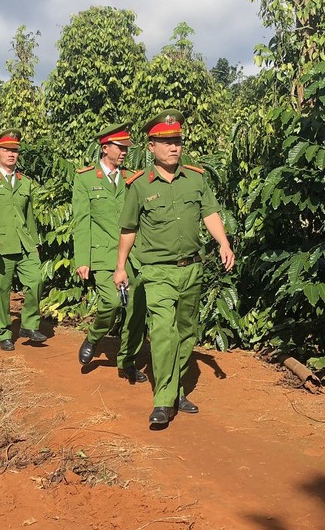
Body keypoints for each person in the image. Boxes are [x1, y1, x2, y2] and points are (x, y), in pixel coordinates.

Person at [113, 110, 235, 427]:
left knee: (187, 333)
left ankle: (176, 386)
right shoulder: (138, 186)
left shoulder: (195, 178)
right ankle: (164, 401)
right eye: (166, 142)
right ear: (151, 146)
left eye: (177, 141)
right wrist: (121, 267)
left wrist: (223, 242)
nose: (174, 147)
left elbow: (210, 214)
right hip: (157, 271)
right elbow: (128, 229)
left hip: (193, 269)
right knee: (164, 334)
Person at [73, 122, 147, 383]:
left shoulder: (132, 178)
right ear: (105, 148)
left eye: (127, 147)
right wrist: (82, 259)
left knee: (137, 309)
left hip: (134, 256)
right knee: (113, 302)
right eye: (120, 147)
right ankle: (94, 336)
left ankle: (127, 361)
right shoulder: (84, 179)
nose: (125, 151)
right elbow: (82, 222)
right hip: (103, 255)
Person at [0, 129, 46, 351]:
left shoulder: (25, 182)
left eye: (15, 150)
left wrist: (35, 244)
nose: (11, 154)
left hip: (24, 244)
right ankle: (4, 332)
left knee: (36, 281)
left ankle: (29, 324)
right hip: (0, 246)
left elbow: (29, 217)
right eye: (6, 150)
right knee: (0, 291)